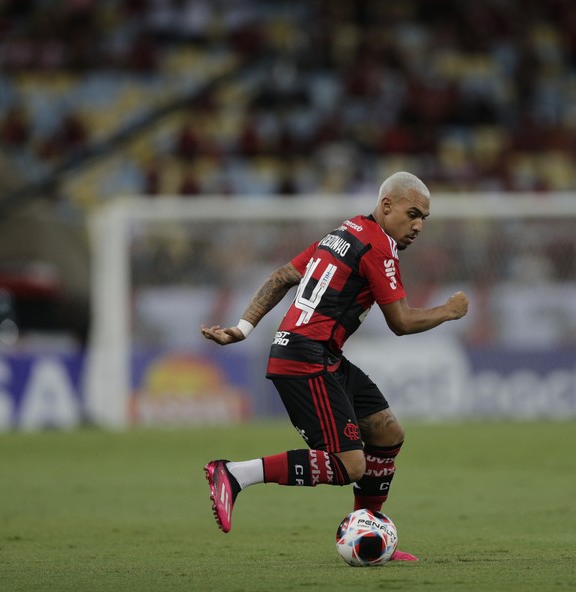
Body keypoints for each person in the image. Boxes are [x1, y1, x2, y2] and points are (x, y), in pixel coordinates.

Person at [200, 171, 469, 561]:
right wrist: (448, 310)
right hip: (305, 357)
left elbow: (281, 277)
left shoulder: (344, 233)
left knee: (387, 431)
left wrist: (243, 328)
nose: (418, 225)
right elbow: (402, 323)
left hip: (320, 354)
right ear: (386, 205)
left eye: (424, 218)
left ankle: (369, 529)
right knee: (351, 465)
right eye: (413, 214)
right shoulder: (377, 246)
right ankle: (235, 474)